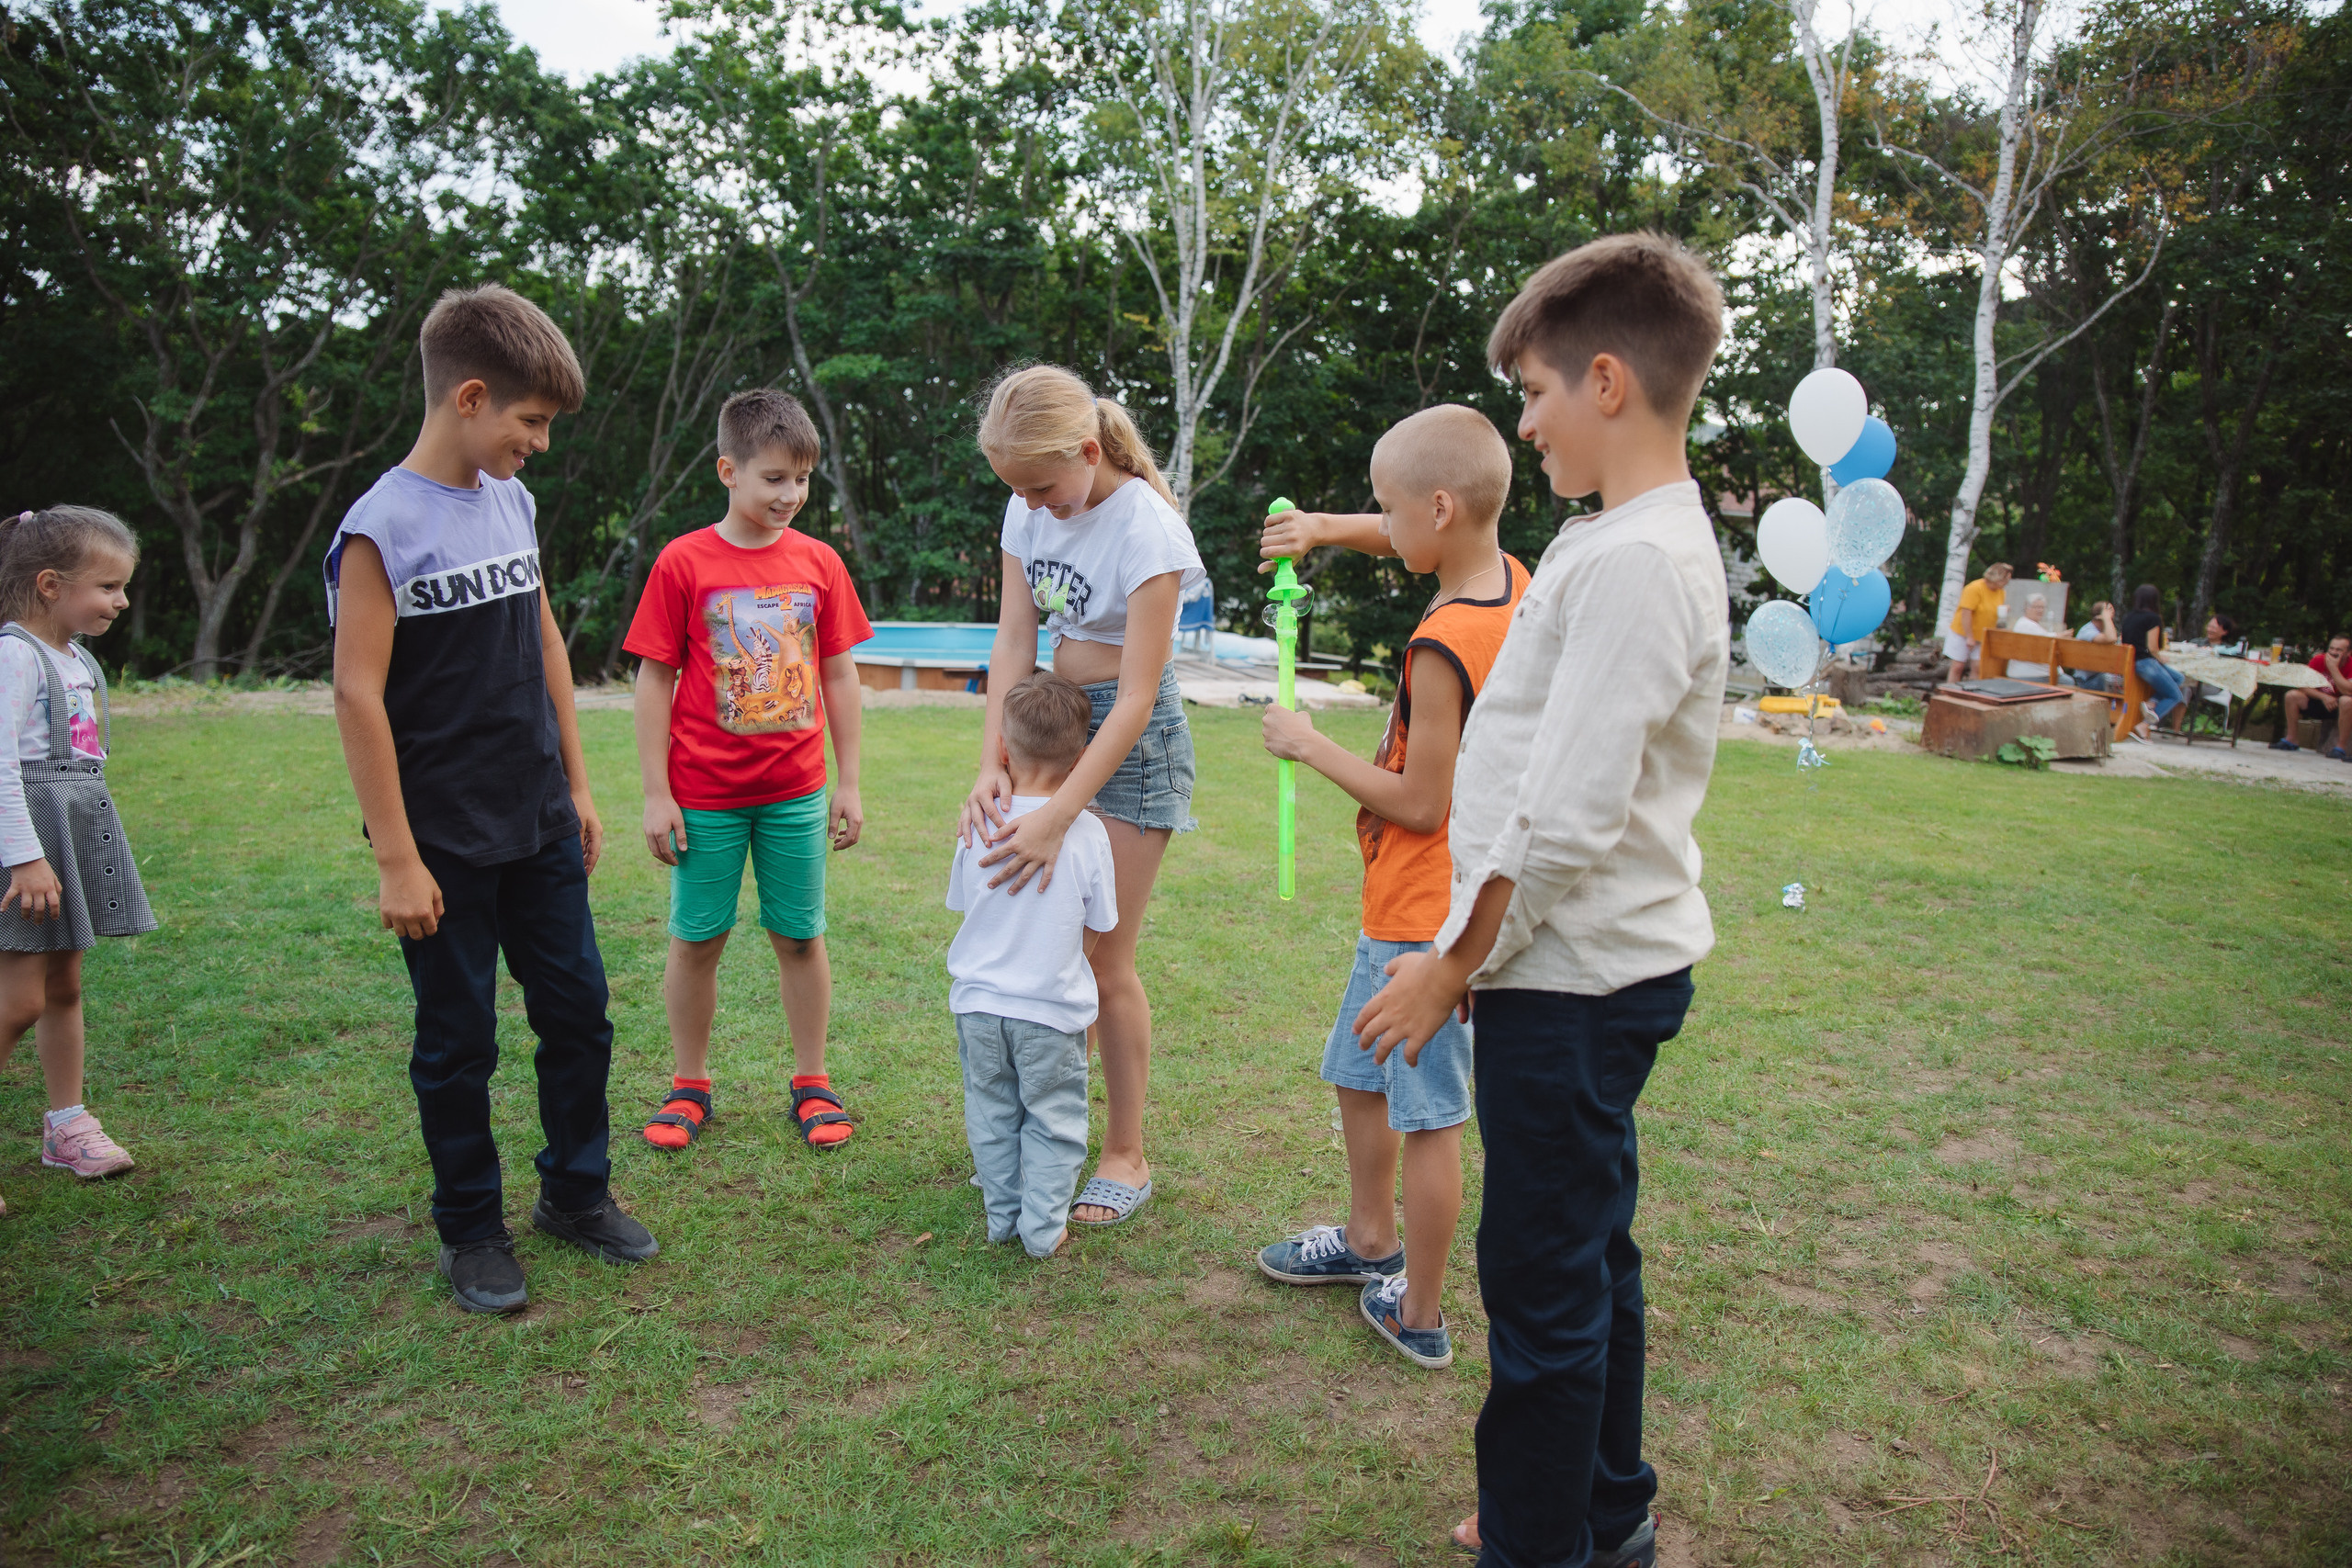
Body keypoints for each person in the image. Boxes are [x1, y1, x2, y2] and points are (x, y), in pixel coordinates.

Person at [1351, 233, 1729, 1568]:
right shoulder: (1609, 534)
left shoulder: (1635, 560)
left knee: (1543, 1280)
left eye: (1536, 395)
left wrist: (1448, 965)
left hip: (1570, 980)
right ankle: (1600, 1503)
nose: (1525, 422)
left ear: (1610, 382)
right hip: (1570, 968)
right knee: (1589, 1249)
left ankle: (1536, 1536)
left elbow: (1563, 816)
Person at [328, 283, 656, 1315]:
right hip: (444, 842)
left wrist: (579, 780)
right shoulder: (381, 525)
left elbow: (547, 639)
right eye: (532, 422)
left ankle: (576, 1193)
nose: (541, 446)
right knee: (458, 1039)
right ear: (470, 396)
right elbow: (355, 692)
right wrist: (396, 857)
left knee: (579, 1015)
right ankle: (471, 1228)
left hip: (539, 819)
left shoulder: (511, 500)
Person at [1250, 405, 1526, 1371]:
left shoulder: (1442, 644)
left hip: (1426, 916)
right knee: (1356, 1074)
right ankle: (1370, 1242)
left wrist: (1310, 743)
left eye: (1385, 510)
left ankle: (1419, 1308)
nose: (1381, 525)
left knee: (1429, 1118)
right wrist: (1327, 528)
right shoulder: (1508, 584)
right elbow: (1416, 527)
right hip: (1411, 906)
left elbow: (1420, 802)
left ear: (1440, 507)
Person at [962, 365, 1205, 1228]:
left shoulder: (1146, 528)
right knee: (1046, 951)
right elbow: (1015, 633)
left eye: (1043, 486)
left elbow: (1138, 694)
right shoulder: (1026, 504)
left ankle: (1124, 1156)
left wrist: (1059, 816)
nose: (1032, 505)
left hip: (1129, 743)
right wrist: (994, 758)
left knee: (1104, 960)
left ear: (1090, 452)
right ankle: (1050, 1136)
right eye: (1017, 491)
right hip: (1051, 722)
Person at [622, 389, 872, 1154]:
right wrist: (658, 794)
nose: (789, 496)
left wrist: (849, 779)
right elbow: (653, 679)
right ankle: (689, 1082)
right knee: (699, 938)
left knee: (800, 937)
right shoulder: (683, 561)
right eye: (772, 478)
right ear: (728, 470)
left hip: (795, 795)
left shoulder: (819, 562)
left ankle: (812, 1079)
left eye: (800, 480)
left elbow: (838, 675)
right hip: (703, 800)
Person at [0, 507, 154, 1218]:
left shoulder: (74, 656)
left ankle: (67, 1125)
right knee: (18, 1002)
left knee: (64, 985)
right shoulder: (15, 655)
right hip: (28, 842)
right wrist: (26, 858)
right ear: (51, 583)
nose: (120, 601)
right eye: (109, 586)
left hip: (71, 827)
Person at [945, 671, 1119, 1259]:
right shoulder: (1089, 832)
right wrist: (1070, 964)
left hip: (977, 1005)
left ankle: (1002, 1215)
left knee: (991, 1110)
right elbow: (1099, 925)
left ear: (1001, 748)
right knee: (1054, 1117)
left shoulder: (977, 819)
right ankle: (1042, 1229)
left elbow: (965, 906)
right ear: (1083, 758)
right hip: (1050, 1010)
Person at [2116, 583, 2184, 741]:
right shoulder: (2153, 618)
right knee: (2175, 696)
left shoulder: (2129, 616)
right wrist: (2161, 659)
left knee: (2178, 678)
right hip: (2145, 662)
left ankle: (2151, 703)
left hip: (2131, 661)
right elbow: (2152, 647)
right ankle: (2144, 725)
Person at [2277, 633, 2352, 758]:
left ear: (2349, 653)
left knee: (2347, 701)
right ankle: (2291, 739)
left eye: (2338, 650)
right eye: (2331, 648)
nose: (2333, 652)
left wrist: (2334, 669)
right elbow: (2303, 685)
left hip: (2341, 707)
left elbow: (2349, 691)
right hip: (2320, 701)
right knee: (2292, 695)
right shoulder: (2318, 660)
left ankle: (2340, 748)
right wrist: (2324, 697)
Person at [1945, 561, 2014, 682]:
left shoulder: (2001, 592)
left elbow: (1992, 612)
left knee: (1978, 667)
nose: (2007, 582)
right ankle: (1950, 692)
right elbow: (1966, 614)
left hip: (1982, 635)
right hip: (1963, 633)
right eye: (2006, 579)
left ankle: (1972, 693)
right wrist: (1969, 636)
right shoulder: (1974, 588)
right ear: (1997, 577)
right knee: (1958, 666)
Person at [2070, 601, 2120, 693]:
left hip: (2098, 676)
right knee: (2110, 679)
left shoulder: (2103, 631)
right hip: (2086, 681)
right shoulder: (2087, 631)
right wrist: (2107, 619)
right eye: (2109, 611)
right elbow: (2111, 638)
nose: (2112, 614)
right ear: (2100, 616)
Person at [2005, 591, 2056, 680]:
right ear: (2027, 608)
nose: (2040, 610)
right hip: (2030, 674)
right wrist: (2061, 635)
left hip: (2027, 671)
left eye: (2042, 607)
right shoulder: (2027, 625)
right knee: (2068, 682)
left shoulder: (2024, 622)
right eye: (2036, 607)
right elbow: (2047, 639)